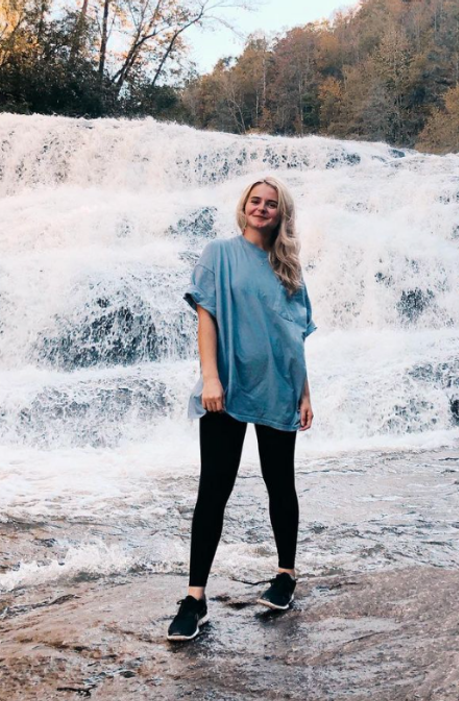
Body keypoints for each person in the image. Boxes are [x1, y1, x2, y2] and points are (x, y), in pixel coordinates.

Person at [167, 176, 318, 642]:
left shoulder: (289, 269)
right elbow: (206, 316)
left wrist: (306, 392)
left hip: (278, 385)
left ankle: (286, 576)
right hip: (228, 387)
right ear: (244, 206)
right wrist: (210, 377)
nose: (262, 208)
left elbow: (295, 337)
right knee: (213, 489)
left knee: (280, 483)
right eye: (256, 201)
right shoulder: (218, 254)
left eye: (271, 204)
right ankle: (195, 598)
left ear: (281, 213)